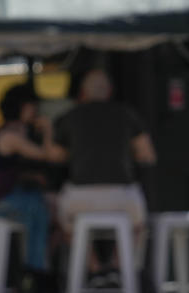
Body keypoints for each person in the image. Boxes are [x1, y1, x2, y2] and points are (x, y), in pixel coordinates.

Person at [55, 69, 156, 274]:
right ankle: (119, 268)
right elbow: (147, 155)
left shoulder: (70, 116)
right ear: (109, 91)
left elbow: (55, 156)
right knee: (137, 225)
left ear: (83, 92)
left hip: (80, 198)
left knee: (66, 225)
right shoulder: (127, 113)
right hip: (123, 198)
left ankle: (94, 268)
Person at [0, 83, 66, 273]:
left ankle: (39, 266)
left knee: (55, 211)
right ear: (20, 107)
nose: (35, 111)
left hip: (7, 198)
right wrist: (48, 129)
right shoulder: (10, 135)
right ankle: (36, 270)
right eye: (31, 106)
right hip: (2, 203)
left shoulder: (15, 132)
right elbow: (47, 155)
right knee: (43, 209)